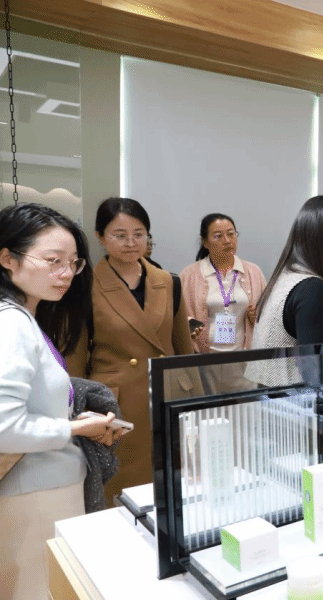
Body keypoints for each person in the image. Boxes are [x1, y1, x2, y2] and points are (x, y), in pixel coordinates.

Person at [0, 203, 119, 600]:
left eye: (73, 263)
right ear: (7, 258)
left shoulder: (25, 318)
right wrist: (75, 428)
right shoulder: (11, 323)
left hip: (42, 485)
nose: (66, 273)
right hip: (34, 491)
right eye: (53, 261)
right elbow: (4, 427)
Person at [67, 197, 193, 505]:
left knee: (172, 485)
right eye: (119, 235)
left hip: (167, 396)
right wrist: (76, 413)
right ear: (100, 237)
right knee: (124, 491)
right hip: (116, 406)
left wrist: (192, 395)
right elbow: (75, 358)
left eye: (139, 234)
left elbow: (183, 349)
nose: (131, 243)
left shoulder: (168, 281)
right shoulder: (85, 285)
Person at [247, 196, 323, 386]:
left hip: (267, 396)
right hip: (293, 399)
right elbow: (313, 369)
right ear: (320, 235)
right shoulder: (313, 287)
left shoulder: (285, 277)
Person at [180, 213, 266, 353]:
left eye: (231, 234)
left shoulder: (254, 272)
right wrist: (188, 325)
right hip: (203, 358)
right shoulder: (188, 275)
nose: (227, 241)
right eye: (218, 236)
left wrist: (256, 317)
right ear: (205, 242)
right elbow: (179, 319)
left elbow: (266, 317)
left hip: (245, 357)